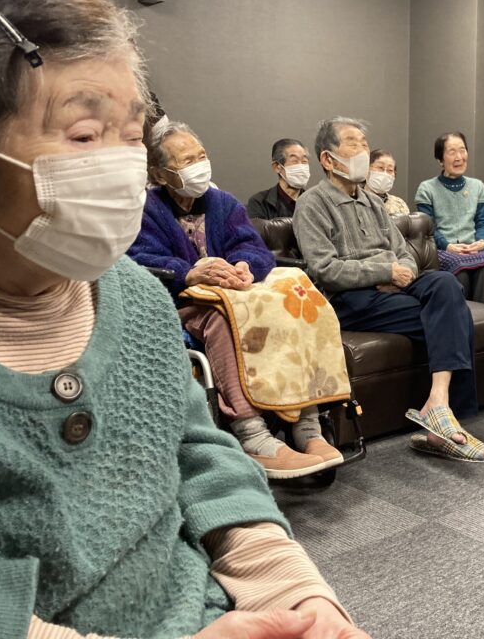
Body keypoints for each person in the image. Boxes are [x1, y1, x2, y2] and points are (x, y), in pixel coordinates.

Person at [0, 0, 366, 639]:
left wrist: (295, 594)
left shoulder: (132, 297)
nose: (123, 167)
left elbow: (199, 455)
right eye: (85, 134)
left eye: (131, 138)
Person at [127, 120, 344, 478]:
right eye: (187, 161)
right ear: (160, 174)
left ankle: (308, 426)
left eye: (202, 156)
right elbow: (138, 259)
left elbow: (253, 247)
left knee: (294, 300)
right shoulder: (145, 209)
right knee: (221, 319)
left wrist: (245, 265)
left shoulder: (224, 203)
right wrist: (188, 272)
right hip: (184, 303)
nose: (199, 165)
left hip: (236, 296)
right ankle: (253, 435)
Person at [293, 117, 484, 463]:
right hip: (351, 299)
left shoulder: (374, 202)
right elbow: (324, 269)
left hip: (395, 288)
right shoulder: (312, 203)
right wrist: (383, 271)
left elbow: (405, 253)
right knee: (452, 316)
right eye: (353, 143)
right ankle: (445, 422)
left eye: (364, 143)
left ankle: (439, 403)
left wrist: (402, 272)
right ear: (328, 159)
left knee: (446, 285)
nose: (363, 150)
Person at [415, 132, 484, 304]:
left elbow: (482, 222)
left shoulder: (478, 186)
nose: (459, 157)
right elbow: (429, 229)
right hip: (443, 249)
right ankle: (459, 316)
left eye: (462, 150)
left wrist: (481, 241)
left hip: (474, 247)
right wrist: (448, 246)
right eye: (452, 152)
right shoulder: (427, 188)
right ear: (440, 160)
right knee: (461, 270)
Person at [246, 138, 311, 219]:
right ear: (277, 167)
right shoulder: (259, 203)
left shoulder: (315, 202)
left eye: (304, 161)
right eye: (294, 161)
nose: (301, 166)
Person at [365, 149, 410, 215]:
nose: (385, 173)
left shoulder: (399, 204)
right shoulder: (357, 202)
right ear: (366, 169)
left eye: (390, 170)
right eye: (380, 167)